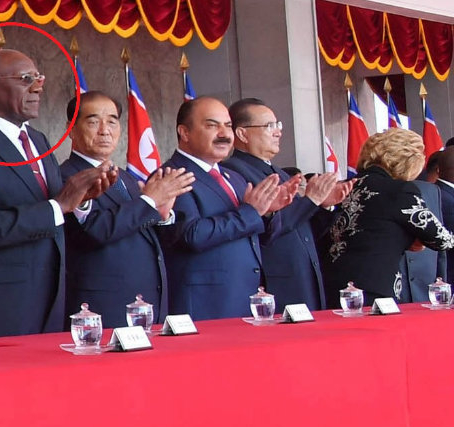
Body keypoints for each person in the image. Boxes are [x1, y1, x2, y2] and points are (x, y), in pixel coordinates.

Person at [0, 49, 111, 338]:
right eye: (26, 78)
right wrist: (59, 205)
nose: (39, 85)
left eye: (39, 77)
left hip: (51, 296)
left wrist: (81, 200)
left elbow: (57, 209)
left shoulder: (38, 140)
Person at [60, 92, 193, 328]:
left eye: (112, 121)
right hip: (102, 304)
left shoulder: (125, 178)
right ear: (71, 130)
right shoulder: (67, 177)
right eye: (93, 121)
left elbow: (139, 229)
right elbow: (95, 231)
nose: (105, 130)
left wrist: (161, 216)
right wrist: (149, 202)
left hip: (145, 300)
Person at [160, 97, 292, 320]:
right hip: (207, 305)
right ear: (184, 132)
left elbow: (259, 237)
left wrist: (268, 212)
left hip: (247, 299)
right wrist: (251, 212)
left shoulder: (233, 177)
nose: (224, 134)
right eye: (212, 125)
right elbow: (191, 234)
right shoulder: (172, 176)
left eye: (228, 126)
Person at [223, 98, 347, 311]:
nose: (278, 132)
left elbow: (302, 227)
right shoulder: (235, 171)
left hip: (304, 276)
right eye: (269, 126)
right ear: (242, 134)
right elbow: (270, 227)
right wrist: (311, 200)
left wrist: (323, 206)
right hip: (276, 282)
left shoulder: (277, 172)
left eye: (278, 125)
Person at [326, 129, 454, 303]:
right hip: (376, 287)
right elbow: (442, 239)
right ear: (409, 161)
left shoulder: (346, 186)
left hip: (334, 286)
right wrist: (412, 239)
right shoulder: (399, 190)